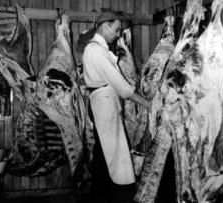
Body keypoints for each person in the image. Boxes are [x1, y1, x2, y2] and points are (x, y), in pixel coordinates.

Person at [82, 11, 151, 203]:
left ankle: (100, 195)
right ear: (105, 25)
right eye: (116, 29)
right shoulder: (96, 51)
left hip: (104, 102)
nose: (118, 34)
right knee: (108, 155)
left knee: (104, 154)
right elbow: (122, 87)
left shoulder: (98, 49)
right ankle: (107, 197)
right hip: (104, 102)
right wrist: (147, 103)